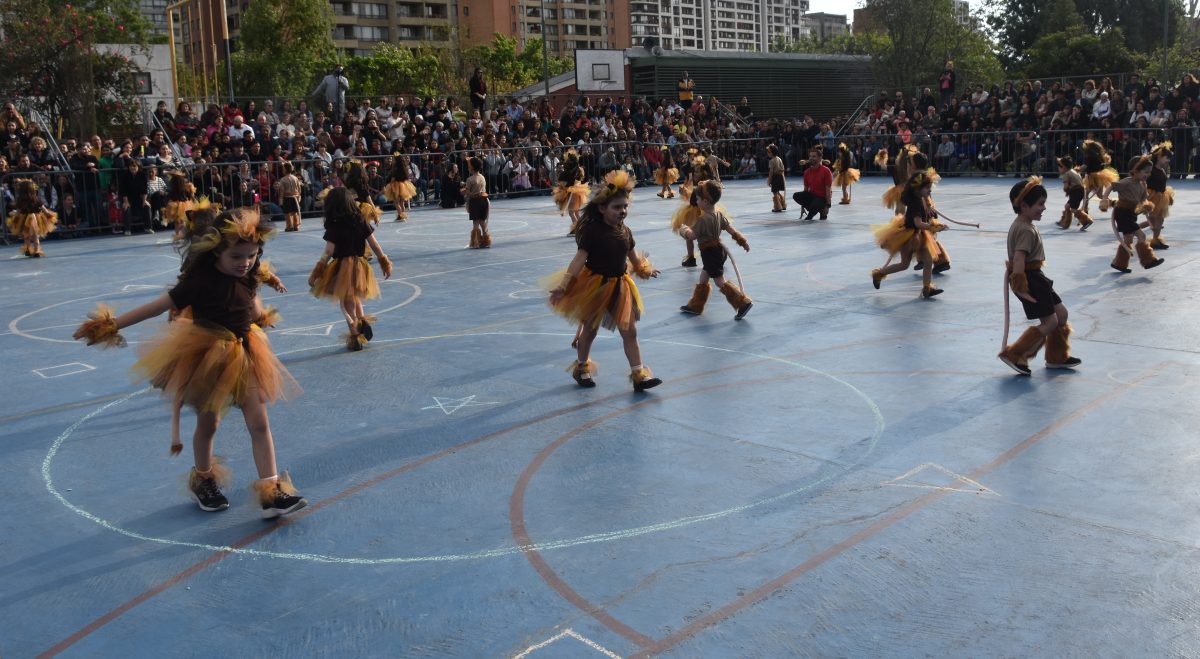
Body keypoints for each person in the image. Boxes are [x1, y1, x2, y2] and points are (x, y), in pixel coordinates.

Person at [73, 205, 308, 518]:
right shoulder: (198, 282)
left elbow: (250, 304)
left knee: (259, 422)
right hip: (211, 356)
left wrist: (261, 313)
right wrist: (111, 325)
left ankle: (271, 490)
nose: (245, 263)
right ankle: (204, 479)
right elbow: (156, 307)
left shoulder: (249, 274)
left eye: (251, 256)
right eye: (236, 257)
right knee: (208, 424)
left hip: (247, 353)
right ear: (215, 253)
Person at [544, 170, 662, 391]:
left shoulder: (625, 231)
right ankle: (582, 367)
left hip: (620, 286)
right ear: (602, 208)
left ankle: (639, 374)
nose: (623, 211)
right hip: (595, 286)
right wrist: (564, 285)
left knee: (630, 331)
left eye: (625, 207)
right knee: (590, 330)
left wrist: (644, 269)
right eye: (617, 207)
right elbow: (579, 260)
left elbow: (634, 258)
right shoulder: (593, 232)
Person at [998, 177, 1083, 376]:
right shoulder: (1025, 229)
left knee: (1061, 314)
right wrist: (1020, 285)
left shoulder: (1024, 223)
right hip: (1030, 278)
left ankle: (1056, 356)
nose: (1043, 208)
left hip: (1037, 276)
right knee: (1051, 322)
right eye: (1040, 204)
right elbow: (1019, 259)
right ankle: (1016, 354)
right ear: (1024, 205)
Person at [308, 187, 393, 351]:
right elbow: (374, 244)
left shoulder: (334, 226)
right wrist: (384, 262)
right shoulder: (360, 220)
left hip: (342, 267)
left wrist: (317, 272)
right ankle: (361, 321)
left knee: (344, 305)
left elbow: (328, 252)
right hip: (360, 266)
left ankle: (355, 335)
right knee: (355, 299)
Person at [677, 180, 753, 320]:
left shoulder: (703, 219)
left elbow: (692, 236)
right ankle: (696, 305)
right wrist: (743, 242)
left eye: (698, 199)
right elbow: (731, 230)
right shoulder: (718, 214)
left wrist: (684, 230)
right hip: (718, 251)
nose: (697, 202)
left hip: (710, 253)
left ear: (705, 201)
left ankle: (742, 302)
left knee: (719, 281)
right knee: (704, 277)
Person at [870, 170, 946, 299]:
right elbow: (918, 223)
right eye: (927, 188)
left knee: (928, 260)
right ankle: (879, 274)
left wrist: (931, 215)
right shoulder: (915, 203)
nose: (930, 190)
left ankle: (927, 288)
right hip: (909, 237)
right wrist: (933, 226)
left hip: (920, 235)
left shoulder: (921, 199)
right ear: (917, 189)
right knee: (904, 264)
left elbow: (925, 216)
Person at [1109, 155, 1164, 273]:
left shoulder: (1143, 184)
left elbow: (1143, 199)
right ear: (1136, 170)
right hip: (1122, 213)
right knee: (1141, 236)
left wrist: (1146, 205)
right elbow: (1112, 186)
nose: (1148, 175)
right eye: (1146, 172)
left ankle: (1119, 263)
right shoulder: (1127, 182)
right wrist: (1104, 199)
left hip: (1130, 214)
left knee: (1128, 239)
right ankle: (1148, 260)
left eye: (1150, 172)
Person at [6, 178, 57, 257]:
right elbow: (44, 209)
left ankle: (28, 249)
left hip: (24, 219)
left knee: (26, 235)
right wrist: (48, 215)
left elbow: (18, 211)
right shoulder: (36, 199)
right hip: (35, 219)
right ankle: (36, 250)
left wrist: (14, 219)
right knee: (35, 235)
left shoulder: (20, 201)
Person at [1141, 141, 1174, 249]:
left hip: (1161, 196)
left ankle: (1156, 240)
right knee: (1153, 219)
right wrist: (1145, 197)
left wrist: (1169, 197)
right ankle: (1133, 229)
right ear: (1159, 157)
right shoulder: (1151, 169)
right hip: (1152, 196)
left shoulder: (1162, 169)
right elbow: (1144, 180)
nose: (1168, 160)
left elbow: (1163, 185)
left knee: (1159, 219)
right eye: (1166, 158)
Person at [553, 149, 590, 234]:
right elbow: (580, 178)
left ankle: (577, 229)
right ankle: (582, 227)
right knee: (576, 211)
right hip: (579, 191)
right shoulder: (579, 170)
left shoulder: (566, 173)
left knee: (571, 212)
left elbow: (563, 184)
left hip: (571, 192)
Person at [461, 156, 492, 248]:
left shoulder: (470, 179)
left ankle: (475, 242)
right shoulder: (482, 177)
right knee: (482, 221)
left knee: (475, 222)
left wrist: (462, 190)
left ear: (472, 167)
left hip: (475, 202)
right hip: (484, 200)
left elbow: (468, 192)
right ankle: (486, 241)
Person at [1054, 157, 1092, 231]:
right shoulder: (1073, 171)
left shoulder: (1066, 174)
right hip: (1079, 191)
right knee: (1067, 206)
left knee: (1073, 209)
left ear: (1063, 167)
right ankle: (1064, 222)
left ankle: (1086, 221)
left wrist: (1066, 190)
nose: (1058, 168)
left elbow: (1066, 187)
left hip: (1076, 192)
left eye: (1059, 166)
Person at [794, 148, 833, 221]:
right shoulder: (806, 172)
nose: (811, 158)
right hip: (812, 196)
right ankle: (817, 210)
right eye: (810, 156)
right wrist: (802, 207)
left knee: (816, 204)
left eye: (814, 156)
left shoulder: (826, 171)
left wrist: (828, 206)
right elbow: (805, 191)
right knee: (796, 196)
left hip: (822, 198)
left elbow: (828, 190)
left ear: (820, 158)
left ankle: (814, 213)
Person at [163, 170, 197, 240]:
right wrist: (194, 202)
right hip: (186, 205)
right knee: (183, 221)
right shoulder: (186, 187)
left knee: (177, 221)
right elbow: (191, 197)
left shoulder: (173, 189)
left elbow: (169, 197)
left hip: (175, 206)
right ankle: (183, 234)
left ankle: (178, 234)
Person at [383, 154, 417, 221]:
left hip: (396, 186)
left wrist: (390, 185)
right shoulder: (405, 168)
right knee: (402, 203)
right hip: (404, 185)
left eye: (393, 159)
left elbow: (393, 179)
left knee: (396, 202)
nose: (392, 160)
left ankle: (401, 216)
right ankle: (402, 215)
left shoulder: (395, 169)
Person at [274, 161, 303, 232]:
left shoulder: (283, 180)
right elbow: (299, 188)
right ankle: (296, 225)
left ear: (285, 170)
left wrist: (281, 201)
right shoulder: (295, 178)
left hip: (287, 198)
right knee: (295, 212)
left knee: (288, 213)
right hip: (295, 197)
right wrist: (299, 196)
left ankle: (289, 226)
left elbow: (282, 191)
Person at [766, 144, 786, 213]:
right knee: (777, 191)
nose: (767, 153)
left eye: (768, 152)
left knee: (774, 192)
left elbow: (771, 172)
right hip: (781, 176)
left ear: (771, 152)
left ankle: (777, 207)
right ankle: (783, 204)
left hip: (775, 177)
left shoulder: (771, 161)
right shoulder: (779, 158)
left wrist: (769, 180)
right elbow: (783, 168)